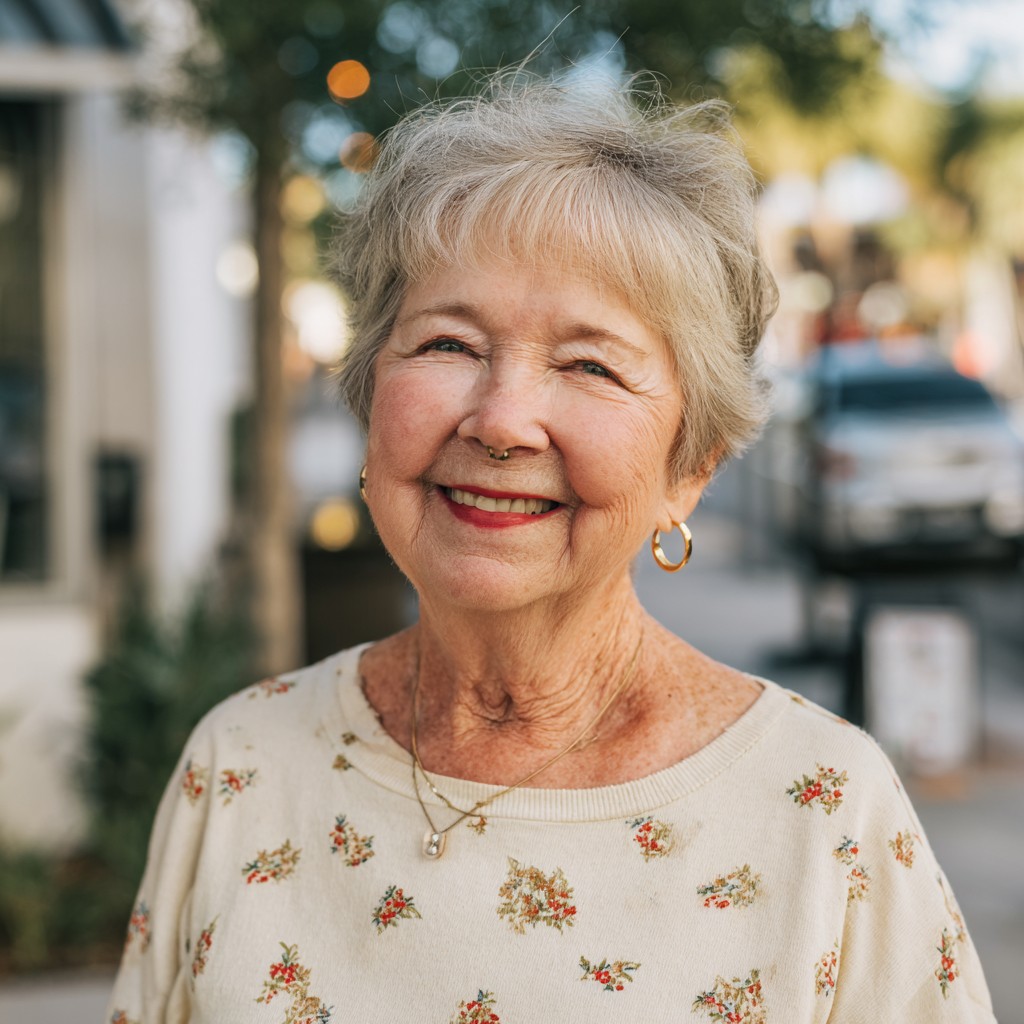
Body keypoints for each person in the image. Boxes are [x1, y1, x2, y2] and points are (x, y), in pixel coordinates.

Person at [107, 73, 994, 1023]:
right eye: (449, 345)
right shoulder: (239, 766)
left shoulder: (824, 814)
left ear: (690, 466)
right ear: (370, 399)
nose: (501, 421)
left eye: (588, 364)